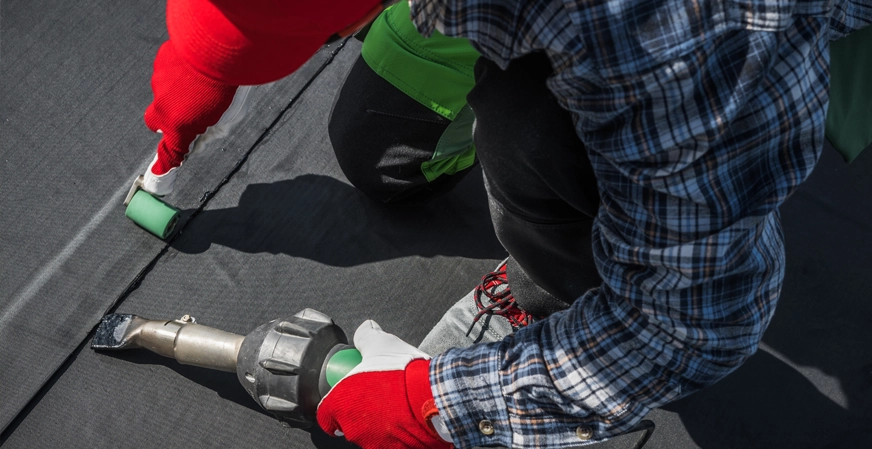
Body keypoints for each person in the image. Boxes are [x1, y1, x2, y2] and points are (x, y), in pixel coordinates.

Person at [138, 0, 872, 448]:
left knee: (531, 124)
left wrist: (436, 406)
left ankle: (558, 294)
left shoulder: (668, 40)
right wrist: (210, 56)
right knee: (380, 144)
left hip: (720, 37)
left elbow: (689, 323)